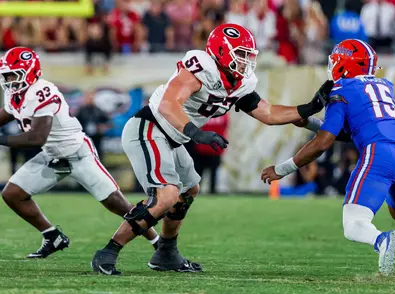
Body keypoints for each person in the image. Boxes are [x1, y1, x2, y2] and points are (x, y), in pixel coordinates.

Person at [90, 23, 333, 275]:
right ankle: (108, 251)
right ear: (221, 51)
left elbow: (269, 113)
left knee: (188, 190)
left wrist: (310, 106)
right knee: (166, 197)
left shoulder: (239, 83)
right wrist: (196, 133)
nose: (246, 61)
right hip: (150, 127)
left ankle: (166, 253)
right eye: (241, 54)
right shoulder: (201, 67)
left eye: (249, 56)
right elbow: (167, 104)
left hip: (174, 137)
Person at [261, 39, 395, 279]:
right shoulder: (384, 86)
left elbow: (325, 142)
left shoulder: (341, 91)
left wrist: (282, 169)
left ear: (342, 65)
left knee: (353, 222)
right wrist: (310, 122)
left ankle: (381, 240)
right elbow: (355, 130)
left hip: (379, 154)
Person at [0, 47, 159, 259]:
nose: (9, 80)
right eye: (6, 75)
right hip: (51, 156)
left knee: (119, 205)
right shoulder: (14, 94)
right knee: (13, 194)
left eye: (13, 74)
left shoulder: (42, 91)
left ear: (30, 71)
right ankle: (52, 236)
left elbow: (36, 138)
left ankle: (160, 245)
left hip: (77, 153)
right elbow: (7, 114)